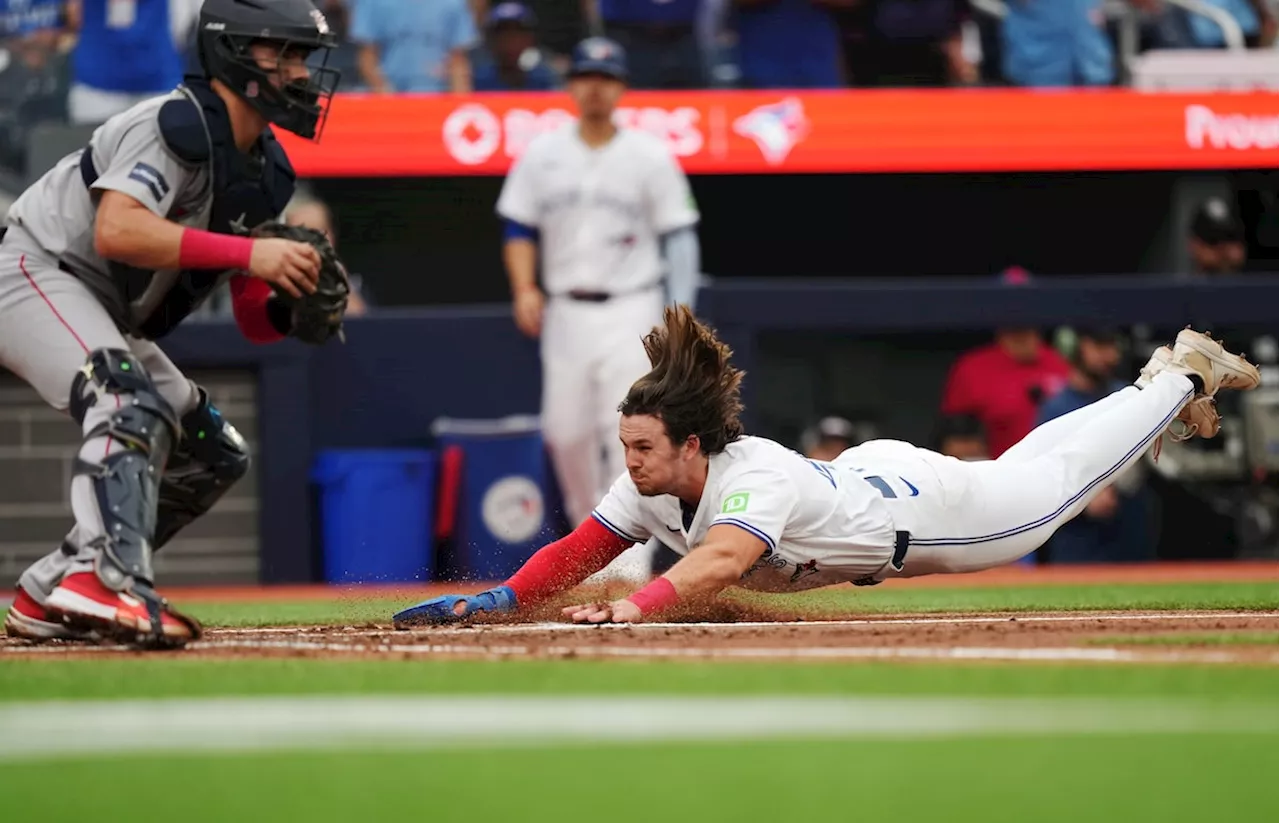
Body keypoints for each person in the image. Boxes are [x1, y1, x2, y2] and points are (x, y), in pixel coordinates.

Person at [392, 307, 1259, 626]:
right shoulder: (655, 481)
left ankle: (1180, 373)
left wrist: (636, 606)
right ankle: (1161, 383)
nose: (630, 462)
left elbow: (723, 562)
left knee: (1047, 492)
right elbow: (581, 549)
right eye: (626, 446)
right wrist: (502, 598)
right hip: (865, 480)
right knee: (1039, 461)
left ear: (691, 444)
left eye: (643, 446)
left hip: (926, 516)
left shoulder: (747, 476)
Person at [1, 0, 344, 649]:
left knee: (214, 453)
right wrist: (252, 253)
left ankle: (52, 589)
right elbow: (118, 228)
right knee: (127, 399)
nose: (301, 73)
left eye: (303, 56)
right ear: (237, 53)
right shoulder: (175, 121)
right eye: (287, 53)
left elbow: (253, 324)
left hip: (98, 301)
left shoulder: (265, 172)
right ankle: (108, 578)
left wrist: (288, 304)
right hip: (30, 266)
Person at [495, 36, 701, 583]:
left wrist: (676, 314)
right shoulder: (544, 153)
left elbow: (680, 237)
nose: (594, 87)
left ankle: (630, 565)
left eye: (605, 77)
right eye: (585, 75)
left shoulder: (648, 155)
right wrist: (523, 287)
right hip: (565, 308)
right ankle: (588, 552)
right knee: (565, 432)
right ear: (571, 85)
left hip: (632, 307)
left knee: (628, 433)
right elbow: (517, 225)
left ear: (621, 87)